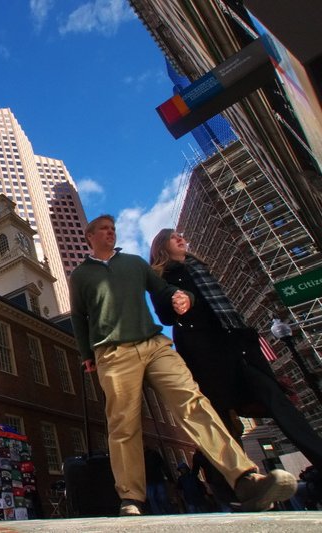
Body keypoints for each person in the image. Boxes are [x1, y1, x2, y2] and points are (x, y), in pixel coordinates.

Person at [69, 214, 297, 516]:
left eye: (113, 229)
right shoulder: (81, 275)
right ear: (89, 236)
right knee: (123, 424)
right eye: (104, 230)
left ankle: (244, 478)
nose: (111, 233)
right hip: (113, 352)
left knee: (193, 402)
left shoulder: (135, 263)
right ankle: (131, 499)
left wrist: (184, 297)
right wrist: (86, 354)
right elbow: (78, 317)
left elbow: (164, 291)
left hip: (154, 344)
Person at [149, 228, 322, 472]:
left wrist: (247, 337)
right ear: (162, 247)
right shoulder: (160, 277)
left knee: (277, 401)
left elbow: (225, 307)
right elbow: (165, 317)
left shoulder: (200, 267)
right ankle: (237, 482)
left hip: (236, 341)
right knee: (221, 418)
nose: (180, 238)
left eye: (180, 235)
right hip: (205, 350)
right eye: (172, 237)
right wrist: (178, 304)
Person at [144, 446, 175, 514]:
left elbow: (163, 466)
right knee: (152, 498)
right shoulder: (139, 456)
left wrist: (170, 479)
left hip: (157, 479)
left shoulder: (154, 453)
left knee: (162, 498)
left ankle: (169, 513)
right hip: (148, 481)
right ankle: (159, 514)